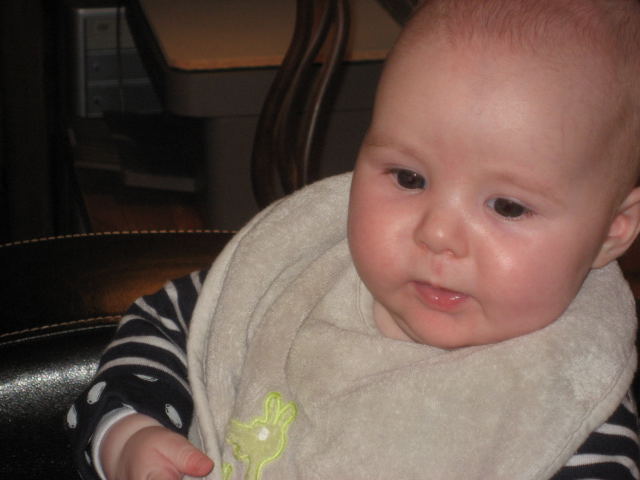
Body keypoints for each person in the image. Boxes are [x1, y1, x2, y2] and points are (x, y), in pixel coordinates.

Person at [67, 0, 640, 478]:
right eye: (408, 178)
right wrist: (127, 433)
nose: (437, 233)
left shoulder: (574, 421)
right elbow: (165, 322)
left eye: (508, 206)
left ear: (611, 231)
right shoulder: (299, 265)